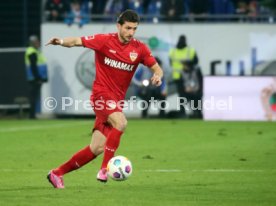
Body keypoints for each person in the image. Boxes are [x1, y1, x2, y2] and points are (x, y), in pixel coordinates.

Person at [45, 9, 163, 188]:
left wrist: (157, 75)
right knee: (121, 123)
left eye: (134, 29)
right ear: (119, 26)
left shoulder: (139, 48)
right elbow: (77, 41)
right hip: (101, 95)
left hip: (116, 101)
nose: (131, 32)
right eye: (128, 28)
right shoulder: (104, 41)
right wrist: (60, 41)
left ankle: (56, 173)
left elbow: (156, 67)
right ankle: (104, 170)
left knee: (97, 148)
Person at [169, 34, 199, 118]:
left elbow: (171, 63)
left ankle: (183, 112)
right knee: (191, 95)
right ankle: (195, 111)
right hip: (188, 77)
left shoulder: (173, 51)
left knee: (182, 96)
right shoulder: (190, 50)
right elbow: (196, 62)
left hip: (178, 77)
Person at [25, 35, 48, 119]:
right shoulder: (32, 52)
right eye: (36, 42)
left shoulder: (34, 51)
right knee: (33, 96)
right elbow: (33, 66)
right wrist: (38, 78)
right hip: (34, 78)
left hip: (35, 77)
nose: (38, 43)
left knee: (34, 96)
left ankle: (33, 114)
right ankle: (32, 115)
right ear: (33, 43)